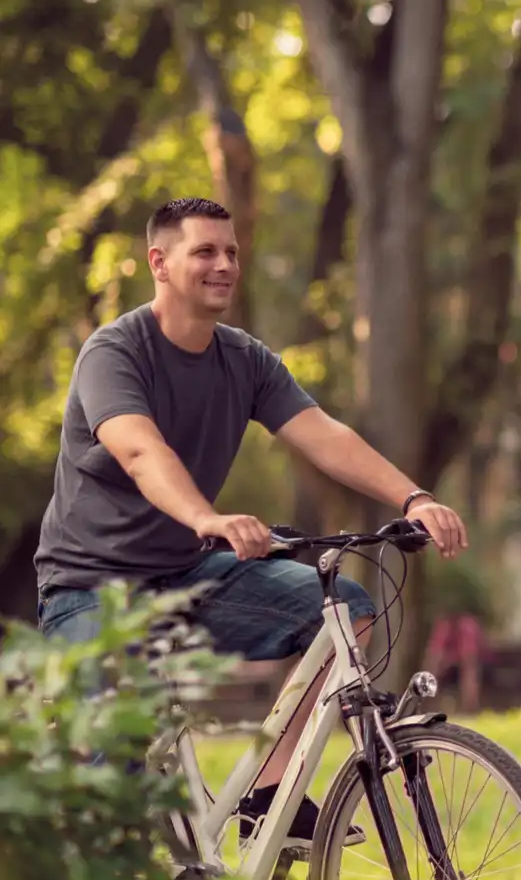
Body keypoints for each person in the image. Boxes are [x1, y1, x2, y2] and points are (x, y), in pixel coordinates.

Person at [33, 196, 470, 847]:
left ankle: (270, 795)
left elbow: (323, 435)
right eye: (205, 251)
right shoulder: (115, 353)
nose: (225, 264)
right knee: (113, 777)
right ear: (159, 261)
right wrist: (205, 516)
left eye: (231, 251)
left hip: (185, 573)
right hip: (90, 589)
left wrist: (413, 498)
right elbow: (139, 450)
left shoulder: (244, 359)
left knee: (345, 610)